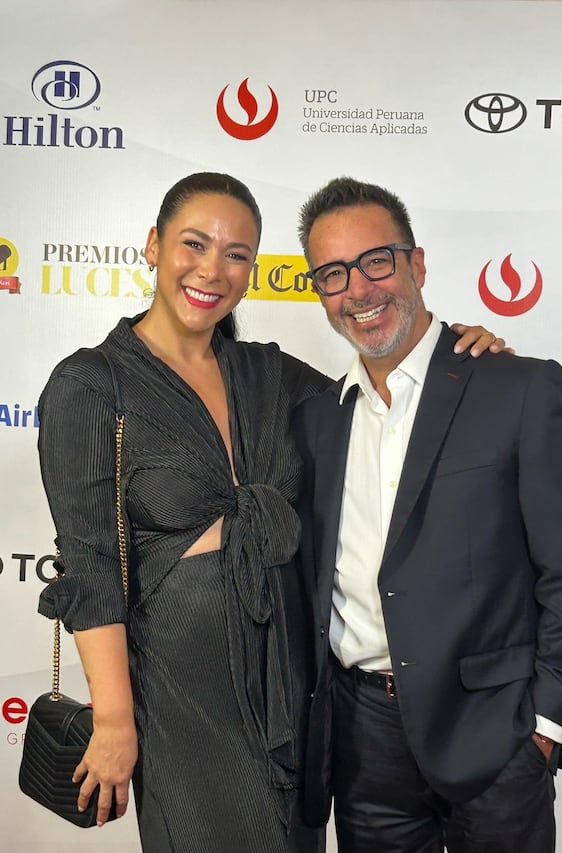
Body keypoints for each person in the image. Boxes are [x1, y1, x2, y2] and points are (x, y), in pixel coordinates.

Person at [35, 171, 503, 853]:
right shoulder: (89, 384)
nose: (212, 269)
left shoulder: (271, 374)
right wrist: (113, 720)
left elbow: (384, 396)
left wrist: (456, 352)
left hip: (294, 689)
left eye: (237, 254)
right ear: (154, 245)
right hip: (180, 699)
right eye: (194, 243)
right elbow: (91, 566)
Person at [292, 176, 562, 853]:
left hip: (495, 731)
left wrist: (547, 726)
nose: (360, 289)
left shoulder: (517, 388)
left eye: (377, 260)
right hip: (362, 740)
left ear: (417, 263)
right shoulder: (318, 417)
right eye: (333, 274)